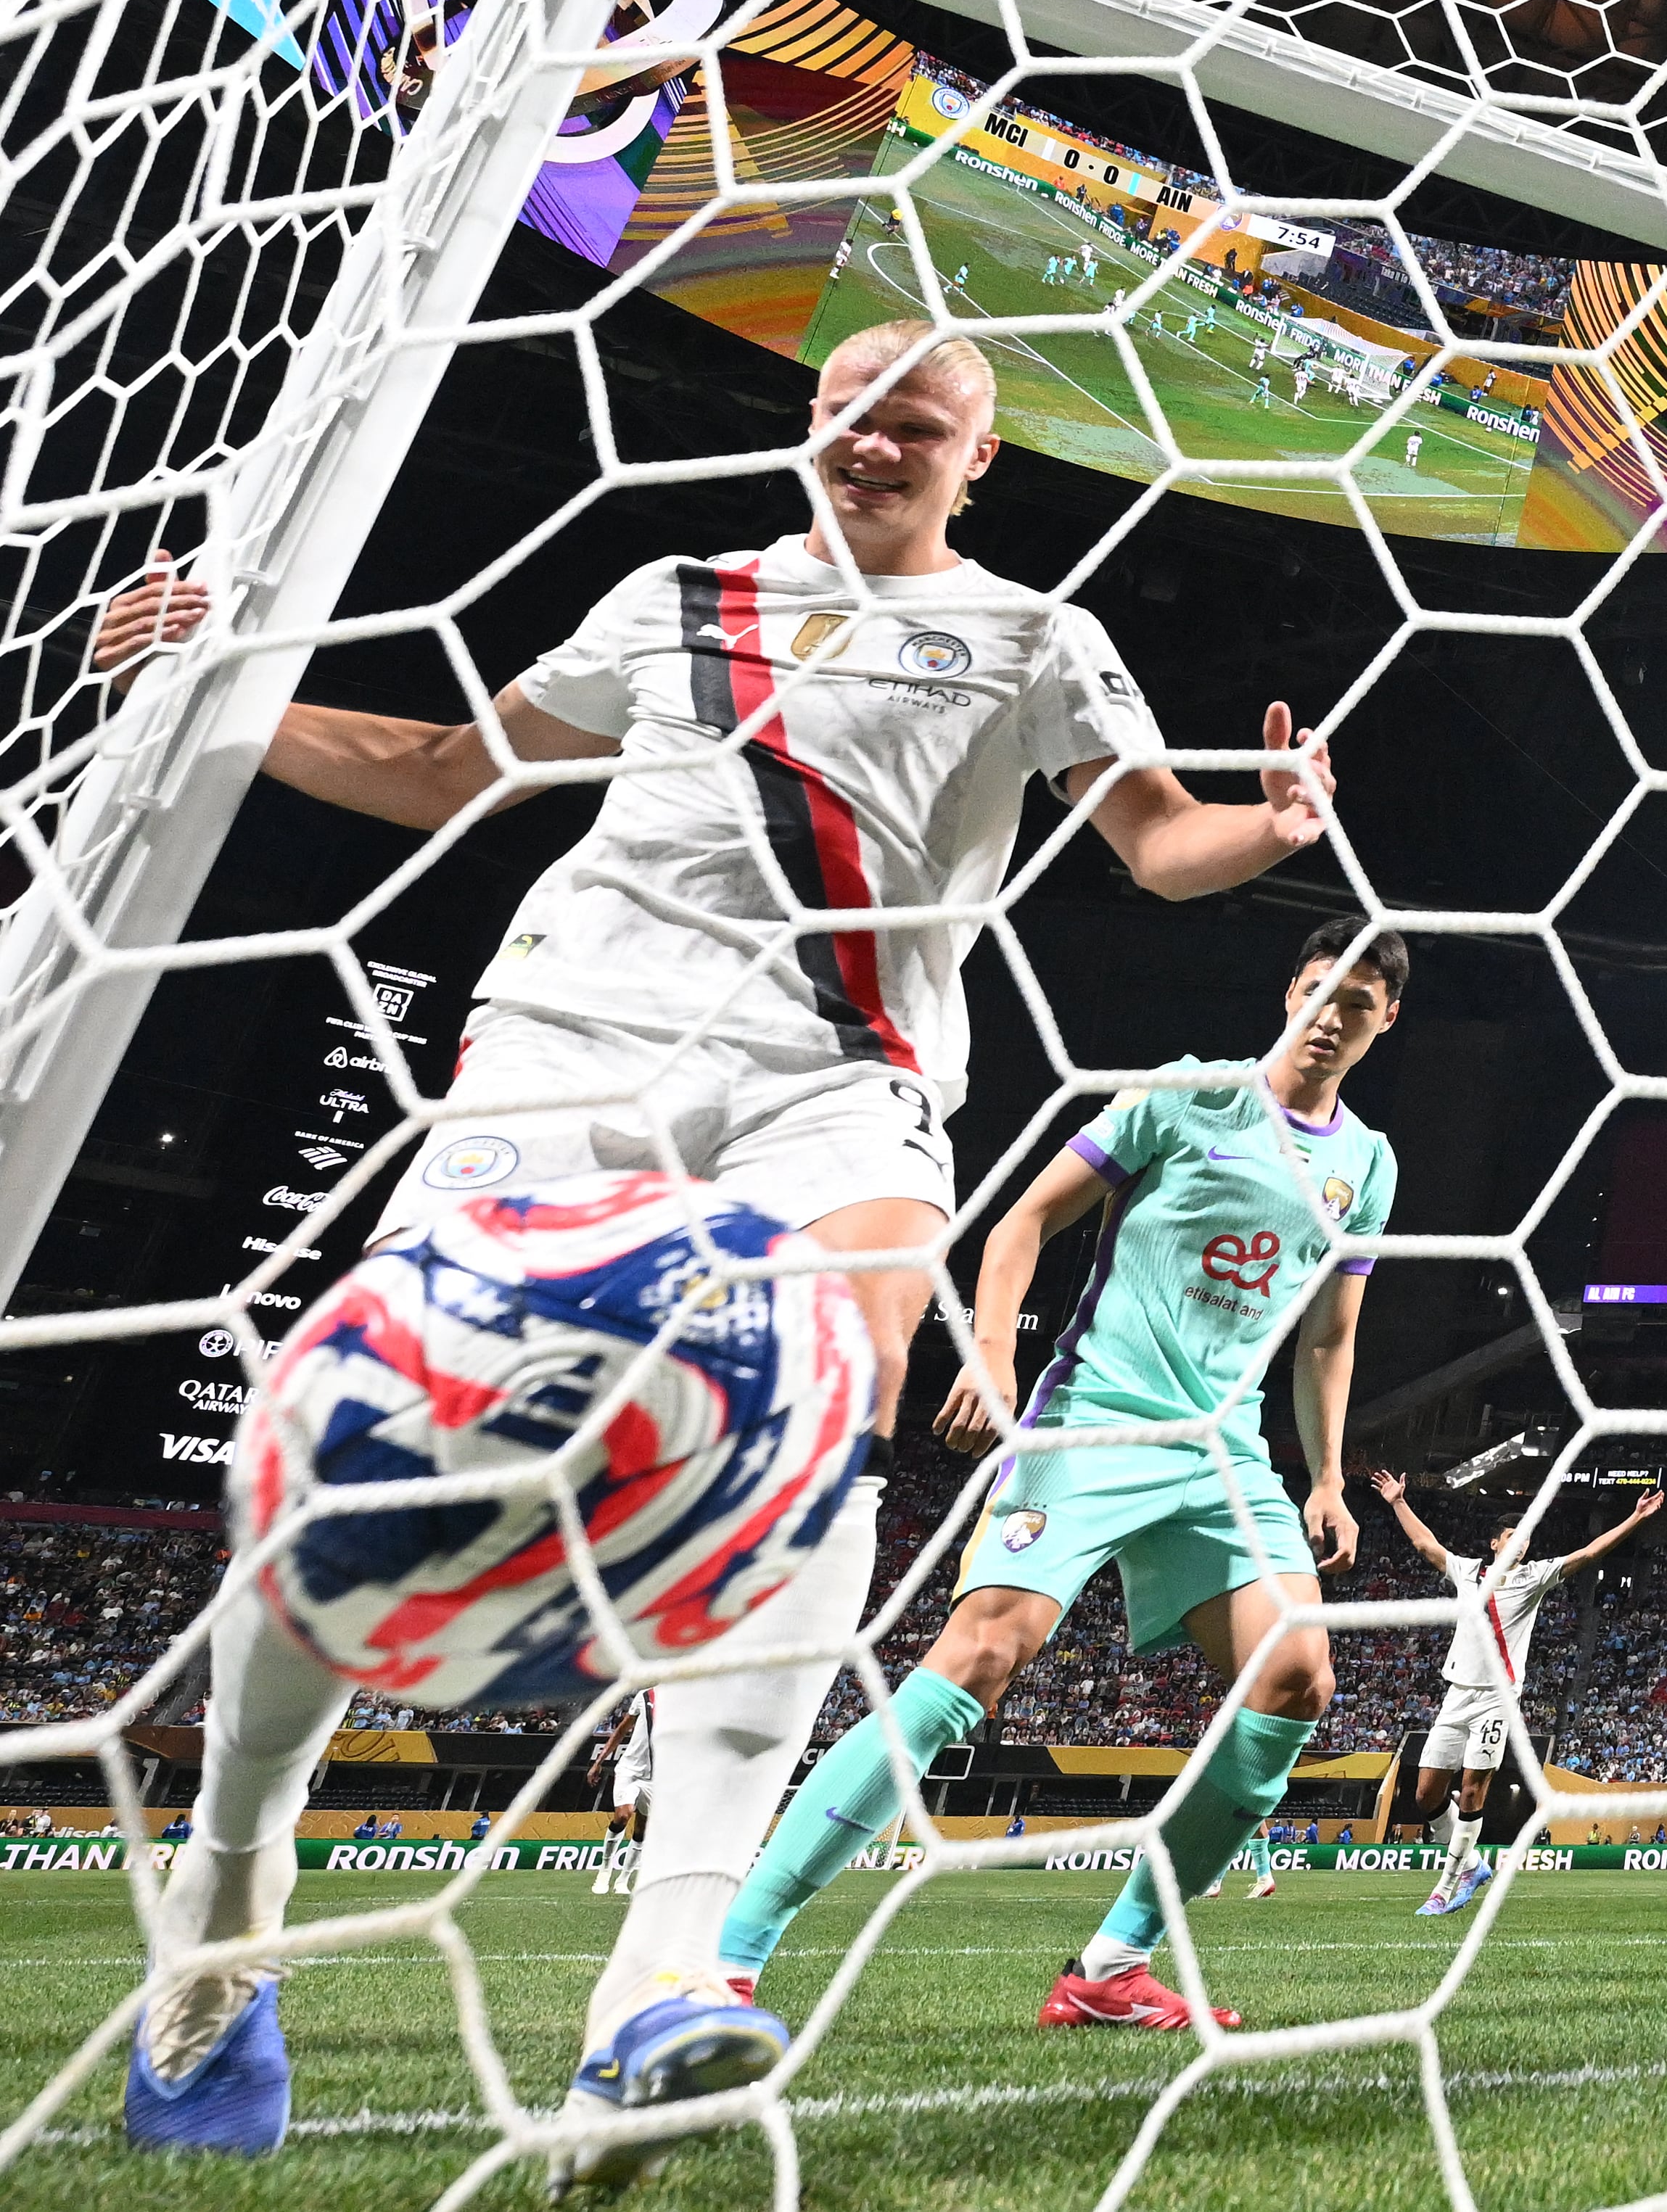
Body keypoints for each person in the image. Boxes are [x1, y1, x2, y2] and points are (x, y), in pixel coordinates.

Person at [93, 318, 1344, 2171]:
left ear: (976, 458)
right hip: (573, 1046)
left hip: (843, 1077)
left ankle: (664, 1982)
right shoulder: (675, 593)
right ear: (811, 424)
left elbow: (1155, 844)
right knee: (349, 1464)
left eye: (918, 423)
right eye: (850, 411)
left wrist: (1276, 826)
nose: (875, 442)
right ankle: (223, 1919)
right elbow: (451, 769)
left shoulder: (1031, 637)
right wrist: (223, 691)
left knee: (834, 1379)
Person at [711, 920, 1402, 2039]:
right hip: (1096, 1420)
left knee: (1296, 1677)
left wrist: (1326, 1473)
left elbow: (1330, 1334)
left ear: (1385, 1021)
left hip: (1224, 1450)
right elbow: (1026, 1217)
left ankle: (1112, 1963)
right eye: (1319, 990)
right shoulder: (1186, 1096)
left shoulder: (1365, 1164)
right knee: (982, 1652)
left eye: (1357, 1003)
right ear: (1289, 991)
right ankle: (731, 1954)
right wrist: (993, 1351)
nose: (1331, 1015)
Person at [1375, 1470, 1664, 1915]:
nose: (1521, 1544)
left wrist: (1635, 1518)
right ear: (1495, 1543)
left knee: (1472, 1790)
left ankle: (1445, 1887)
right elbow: (1426, 1546)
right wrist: (1397, 1502)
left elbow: (1587, 1553)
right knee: (1426, 1795)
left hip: (1496, 1698)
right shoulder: (1469, 1571)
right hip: (1457, 1694)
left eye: (1526, 1538)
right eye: (1513, 1536)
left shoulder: (1534, 1577)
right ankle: (1471, 1864)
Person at [588, 1689, 651, 1898]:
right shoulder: (645, 1697)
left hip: (658, 1776)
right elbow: (621, 1731)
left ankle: (624, 1879)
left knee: (642, 1829)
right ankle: (605, 1871)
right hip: (630, 1769)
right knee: (623, 1816)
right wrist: (599, 1761)